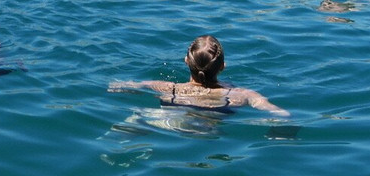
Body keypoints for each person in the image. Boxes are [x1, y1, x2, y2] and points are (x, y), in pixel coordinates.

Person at [109, 35, 289, 116]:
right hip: (209, 130)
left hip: (170, 121)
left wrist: (120, 86)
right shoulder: (239, 94)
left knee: (140, 117)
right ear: (223, 67)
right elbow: (282, 114)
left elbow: (127, 86)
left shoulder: (168, 87)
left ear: (186, 61)